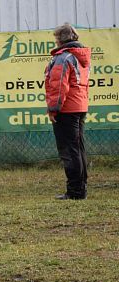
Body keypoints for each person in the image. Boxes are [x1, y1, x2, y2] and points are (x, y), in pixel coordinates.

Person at [44, 22, 91, 200]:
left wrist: (53, 110)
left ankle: (75, 191)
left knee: (69, 150)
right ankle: (81, 188)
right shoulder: (81, 57)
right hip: (80, 107)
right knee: (78, 148)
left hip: (66, 109)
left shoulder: (63, 58)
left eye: (56, 38)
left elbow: (58, 87)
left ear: (60, 39)